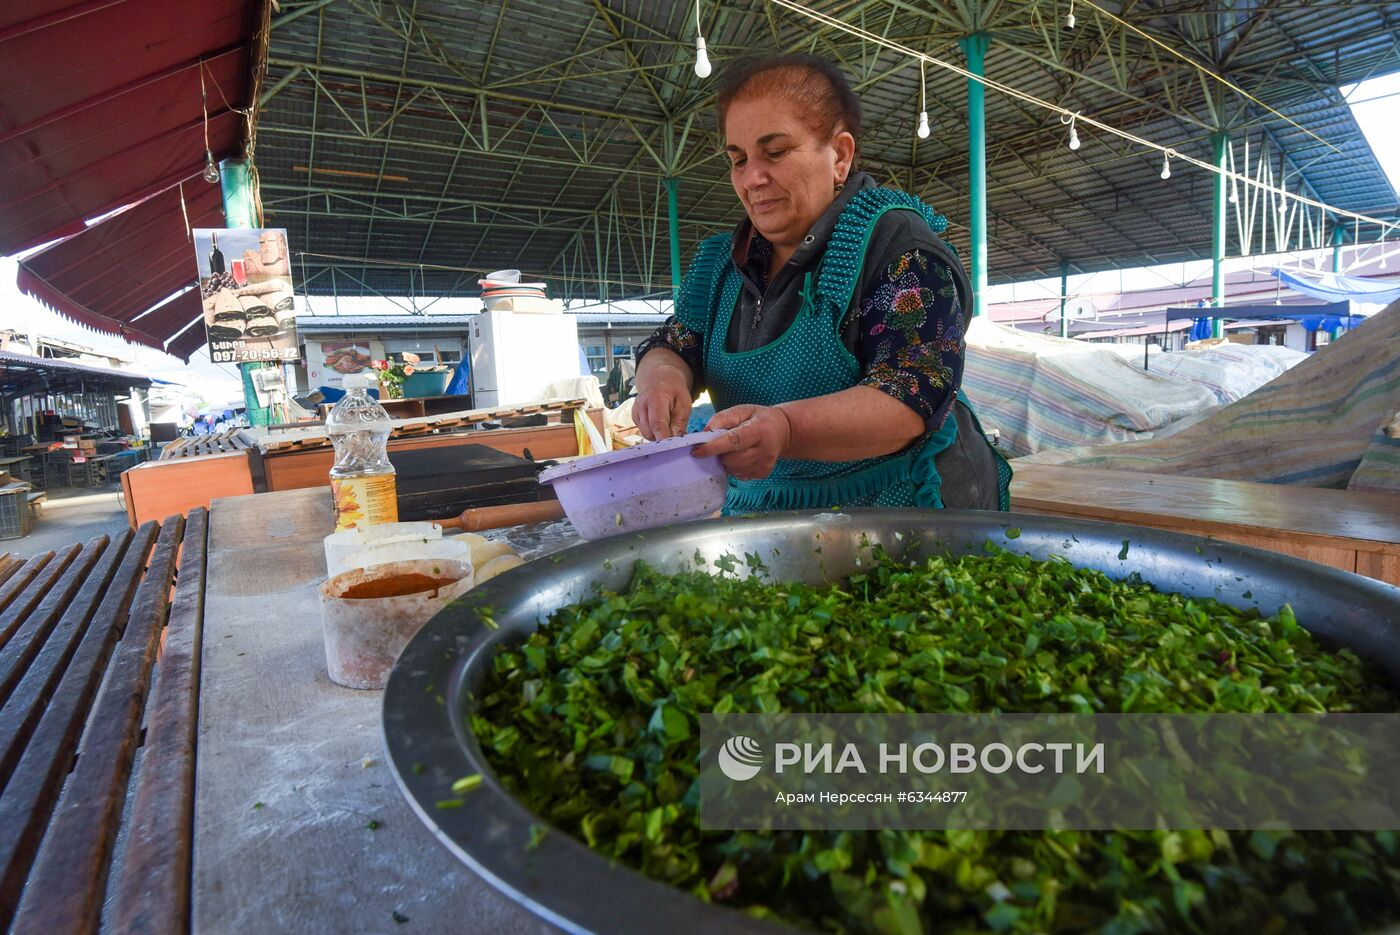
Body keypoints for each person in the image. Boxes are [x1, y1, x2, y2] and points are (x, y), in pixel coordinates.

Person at [633, 54, 1010, 513]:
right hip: (773, 506)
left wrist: (786, 429)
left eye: (776, 152)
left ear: (840, 156)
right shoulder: (721, 266)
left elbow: (912, 390)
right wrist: (662, 379)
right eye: (738, 159)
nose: (752, 177)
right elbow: (675, 342)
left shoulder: (897, 248)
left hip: (906, 503)